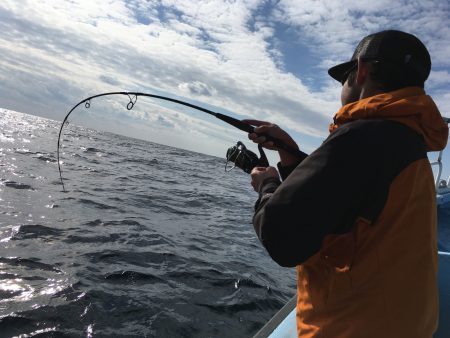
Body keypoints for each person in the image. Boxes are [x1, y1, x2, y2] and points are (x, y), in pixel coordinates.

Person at [245, 30, 449, 338]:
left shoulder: (362, 137)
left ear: (362, 70)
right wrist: (289, 155)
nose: (342, 86)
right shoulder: (408, 144)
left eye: (345, 76)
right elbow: (340, 201)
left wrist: (267, 184)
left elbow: (281, 236)